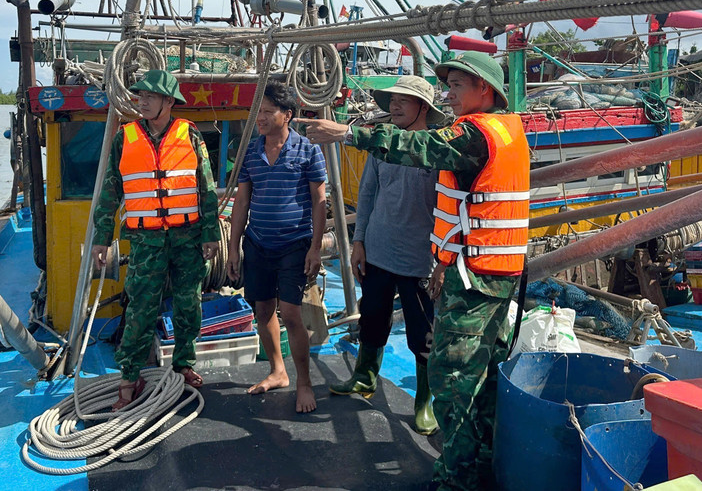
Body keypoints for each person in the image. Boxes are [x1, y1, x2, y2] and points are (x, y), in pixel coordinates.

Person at [300, 51, 529, 491]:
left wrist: (348, 133)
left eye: (458, 86)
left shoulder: (475, 134)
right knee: (483, 375)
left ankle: (456, 480)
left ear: (485, 90)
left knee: (454, 379)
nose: (449, 94)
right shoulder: (507, 129)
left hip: (477, 277)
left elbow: (418, 147)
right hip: (494, 270)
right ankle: (482, 463)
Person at [92, 69, 220, 410]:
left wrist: (211, 234)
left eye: (149, 96)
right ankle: (129, 378)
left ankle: (183, 364)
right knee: (140, 309)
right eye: (140, 95)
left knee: (189, 304)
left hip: (188, 237)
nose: (141, 101)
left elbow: (206, 188)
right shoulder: (125, 137)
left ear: (168, 101)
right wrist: (101, 239)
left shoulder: (190, 135)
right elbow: (109, 191)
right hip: (146, 241)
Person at [329, 76, 441, 437]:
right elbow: (367, 194)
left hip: (420, 257)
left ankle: (424, 401)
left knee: (423, 334)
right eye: (392, 100)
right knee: (372, 317)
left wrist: (443, 260)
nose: (393, 106)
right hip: (377, 249)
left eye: (403, 101)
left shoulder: (438, 148)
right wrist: (358, 241)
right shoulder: (382, 145)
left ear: (423, 108)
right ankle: (364, 377)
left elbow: (451, 207)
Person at [226, 82, 327, 414]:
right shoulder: (252, 152)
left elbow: (319, 201)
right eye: (260, 113)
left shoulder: (308, 150)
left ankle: (304, 383)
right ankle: (277, 371)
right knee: (263, 312)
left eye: (269, 112)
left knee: (293, 312)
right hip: (258, 244)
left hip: (294, 245)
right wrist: (233, 248)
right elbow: (242, 201)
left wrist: (315, 248)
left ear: (288, 115)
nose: (262, 118)